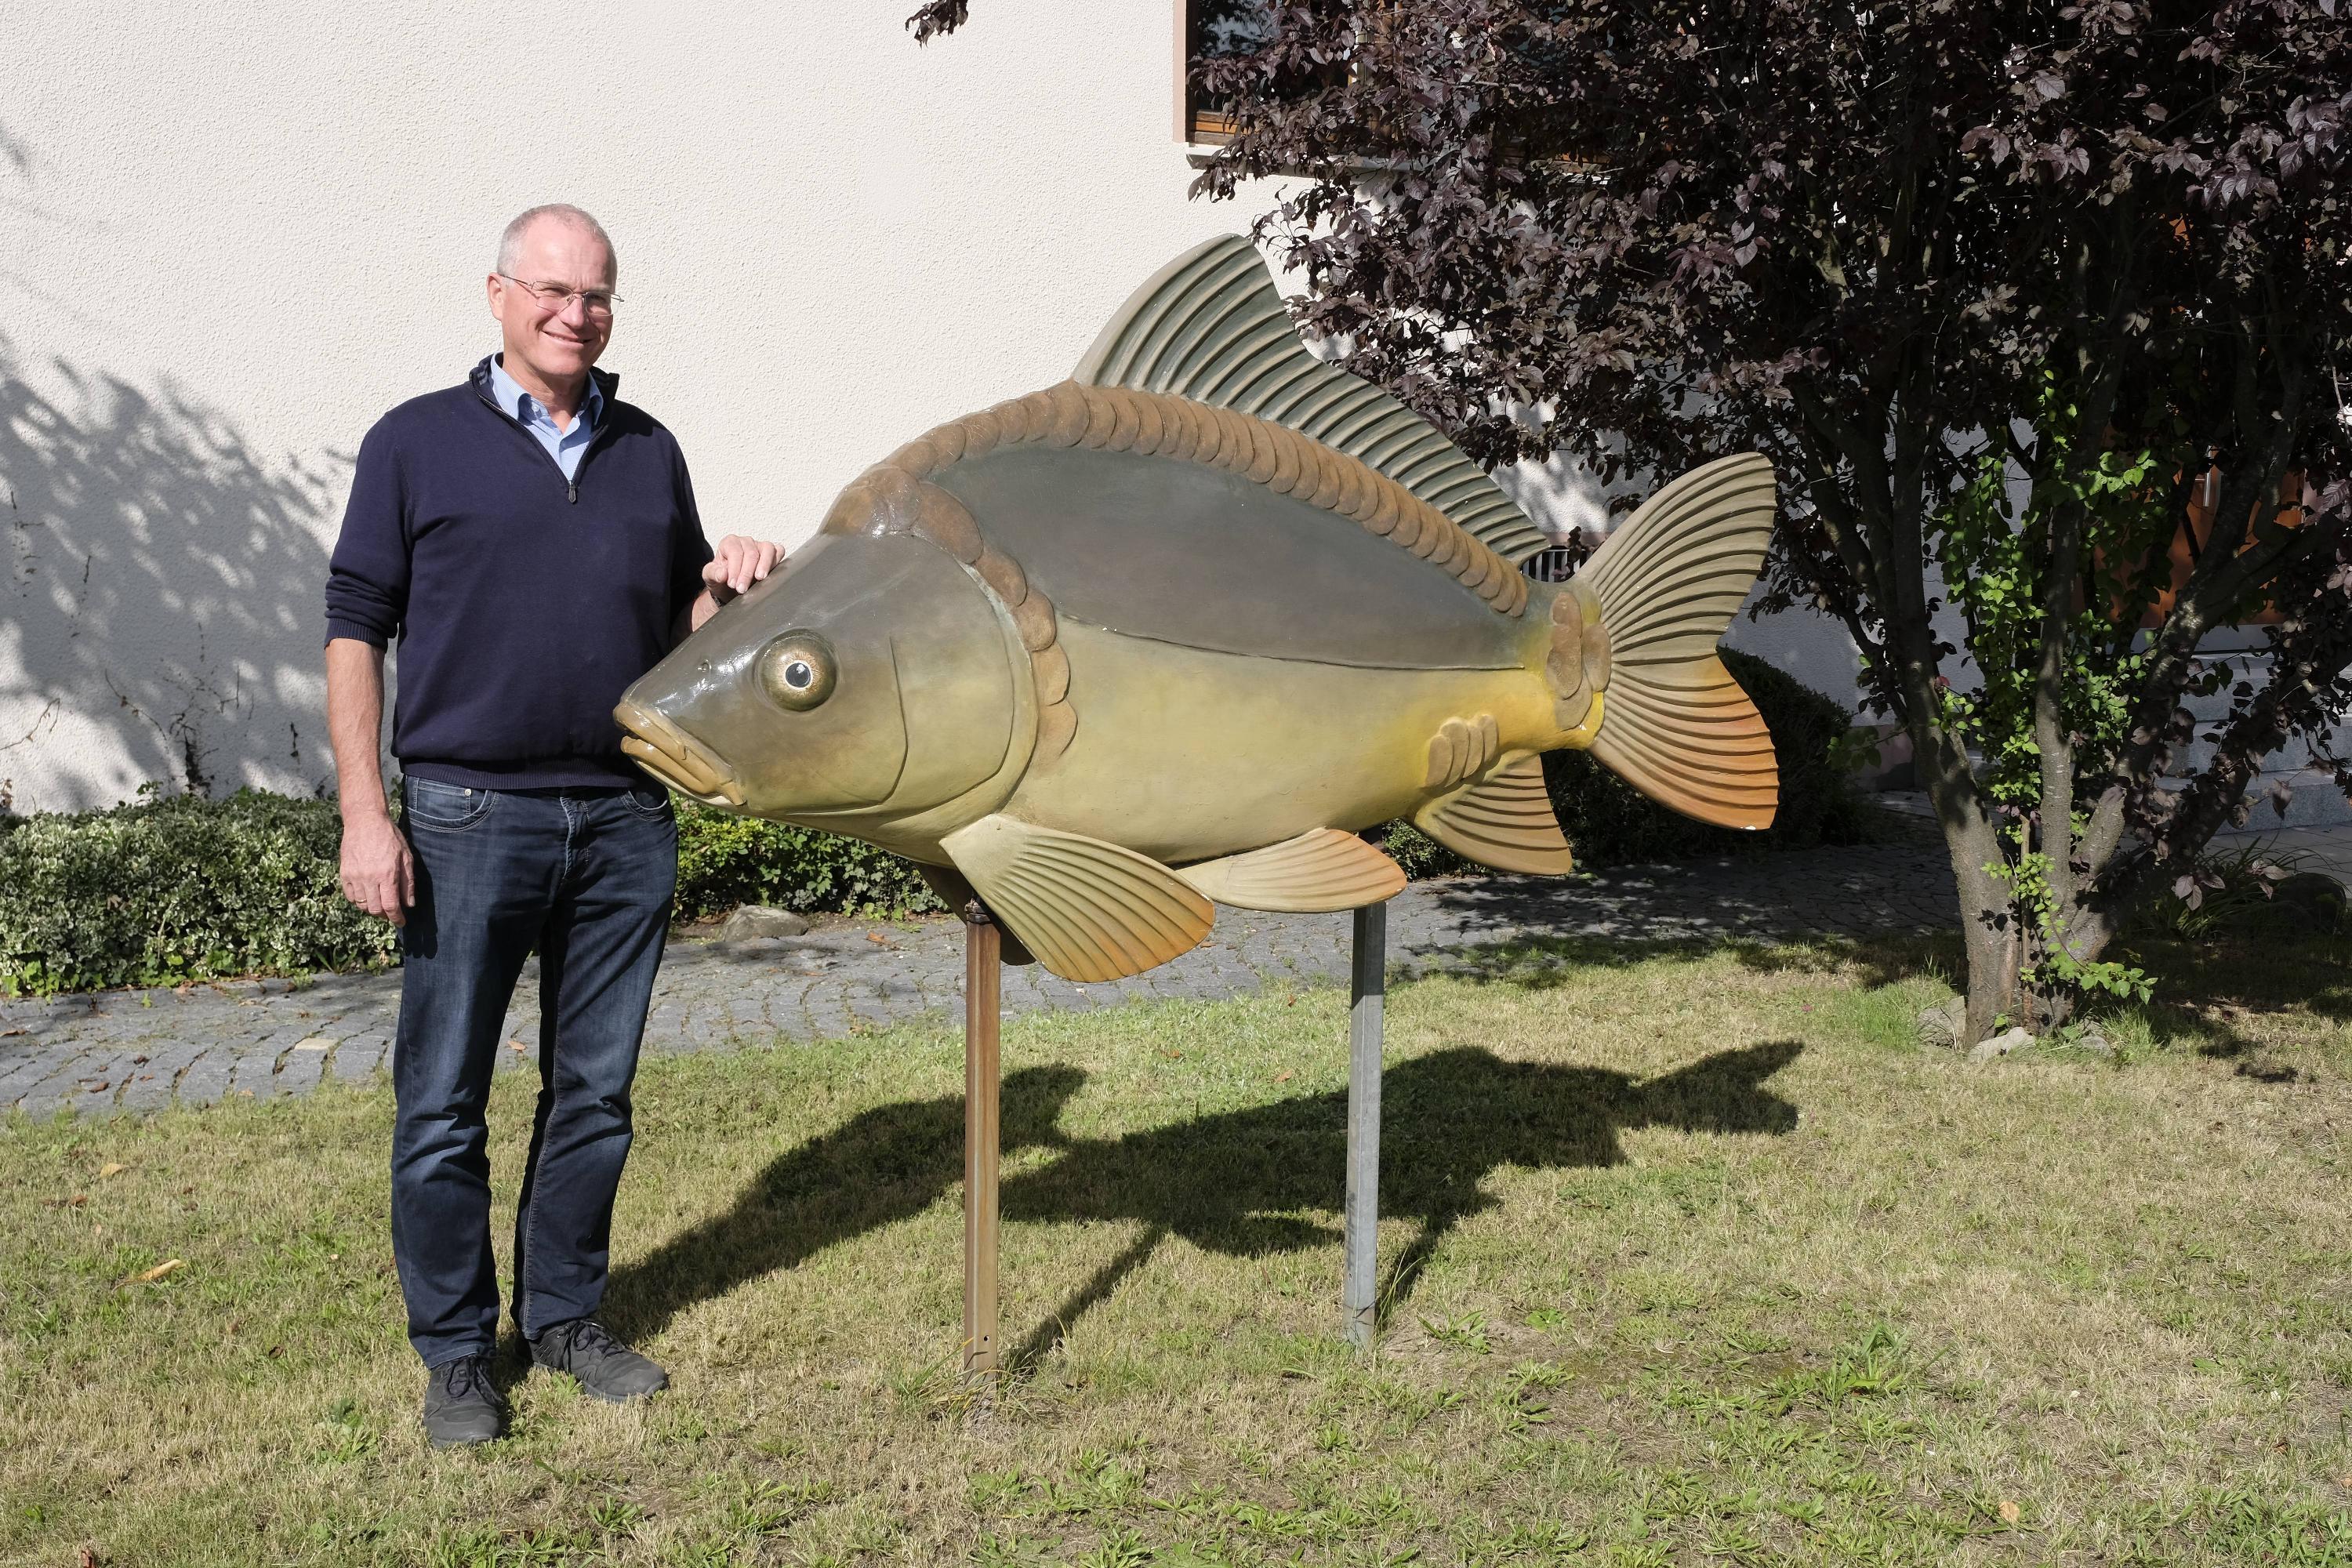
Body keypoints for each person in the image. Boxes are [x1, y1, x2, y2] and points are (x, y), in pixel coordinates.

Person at [323, 203, 780, 1447]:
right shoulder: (416, 443)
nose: (576, 314)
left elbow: (683, 632)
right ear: (497, 294)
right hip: (468, 818)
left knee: (595, 1093)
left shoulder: (647, 449)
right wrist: (369, 814)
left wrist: (729, 584)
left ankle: (568, 1316)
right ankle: (461, 1353)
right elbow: (356, 630)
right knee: (442, 1104)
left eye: (599, 295)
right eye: (553, 291)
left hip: (626, 818)